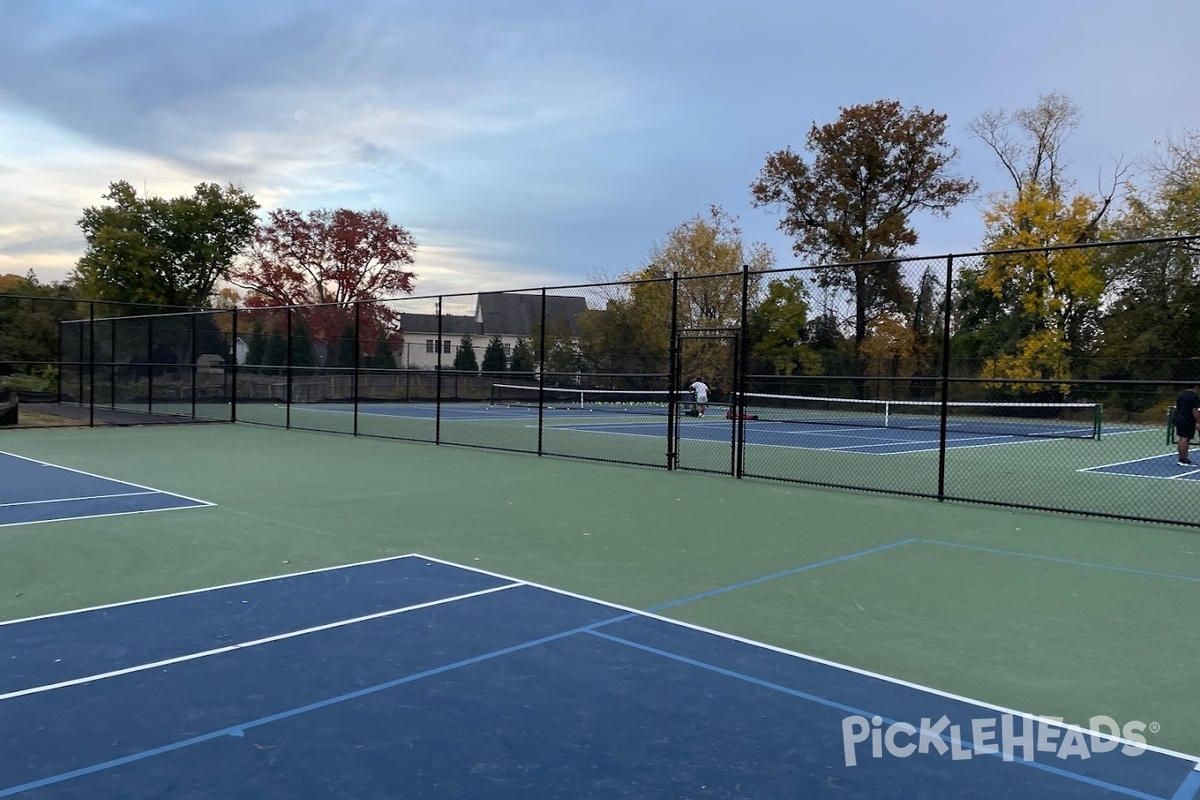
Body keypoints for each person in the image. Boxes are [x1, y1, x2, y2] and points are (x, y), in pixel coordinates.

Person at [1174, 383, 1200, 466]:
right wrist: (1198, 422)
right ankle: (1183, 459)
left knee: (1182, 438)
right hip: (1187, 419)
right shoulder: (1193, 396)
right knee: (1185, 438)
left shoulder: (1181, 396)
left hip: (1179, 418)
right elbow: (1195, 410)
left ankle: (1182, 458)